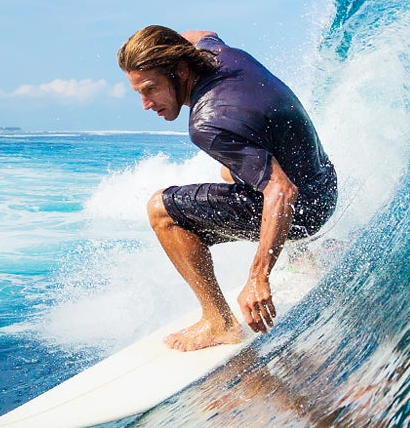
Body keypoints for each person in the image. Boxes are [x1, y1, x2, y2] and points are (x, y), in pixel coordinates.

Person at [118, 26, 337, 351]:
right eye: (138, 92)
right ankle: (304, 255)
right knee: (231, 168)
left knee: (161, 211)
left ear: (180, 70)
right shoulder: (216, 53)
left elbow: (281, 191)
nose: (146, 104)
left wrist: (258, 278)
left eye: (151, 89)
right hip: (325, 181)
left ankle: (218, 322)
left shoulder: (209, 124)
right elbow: (200, 32)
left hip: (306, 210)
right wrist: (155, 45)